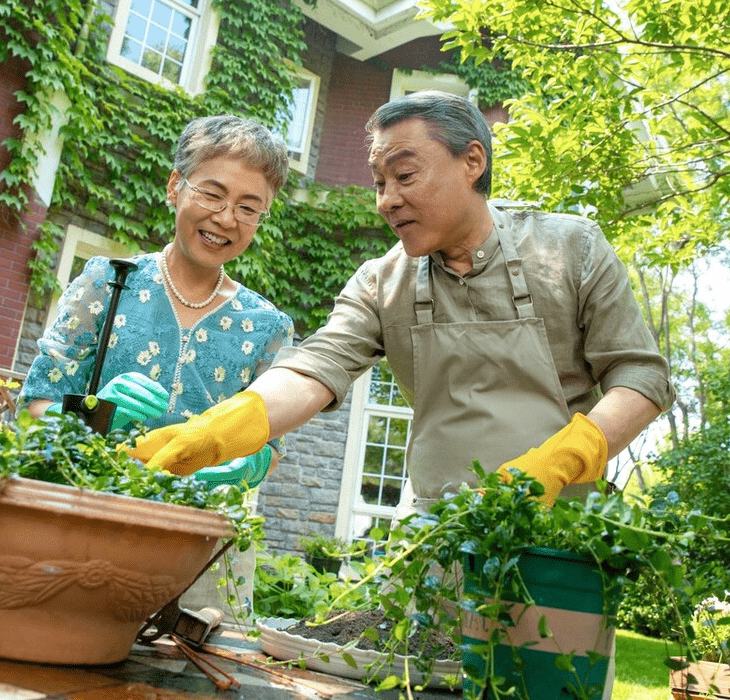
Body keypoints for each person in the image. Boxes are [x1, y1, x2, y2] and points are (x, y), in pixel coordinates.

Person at [124, 91, 675, 512]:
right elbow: (317, 367)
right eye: (379, 181)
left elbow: (641, 377)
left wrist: (569, 456)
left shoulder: (570, 248)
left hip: (563, 529)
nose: (387, 200)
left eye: (405, 175)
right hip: (436, 527)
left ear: (473, 161)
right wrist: (221, 427)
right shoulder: (380, 282)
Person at [21, 114, 295, 491]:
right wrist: (88, 416)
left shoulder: (268, 326)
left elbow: (270, 440)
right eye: (212, 194)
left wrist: (247, 466)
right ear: (174, 187)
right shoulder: (108, 282)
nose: (226, 218)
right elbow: (35, 404)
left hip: (190, 527)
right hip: (82, 508)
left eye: (248, 208)